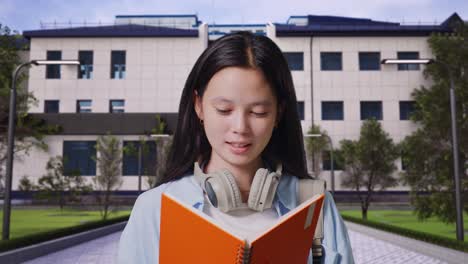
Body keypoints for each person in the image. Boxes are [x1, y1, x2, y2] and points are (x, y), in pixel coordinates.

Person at [118, 31, 354, 264]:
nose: (240, 127)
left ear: (279, 112)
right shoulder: (154, 209)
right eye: (224, 110)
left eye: (258, 112)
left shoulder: (315, 206)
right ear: (199, 106)